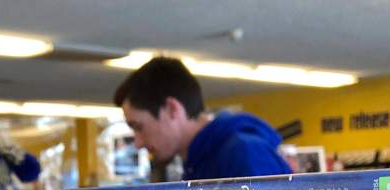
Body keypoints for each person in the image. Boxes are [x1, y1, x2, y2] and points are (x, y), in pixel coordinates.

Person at [113, 56, 292, 181]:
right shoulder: (199, 164)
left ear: (171, 109)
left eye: (138, 127)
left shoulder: (244, 154)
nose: (137, 143)